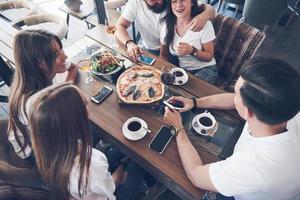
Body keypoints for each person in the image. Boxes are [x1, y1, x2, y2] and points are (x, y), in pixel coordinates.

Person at [163, 57, 300, 200]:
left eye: (236, 94)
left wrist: (177, 127)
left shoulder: (254, 165)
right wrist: (194, 102)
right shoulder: (289, 103)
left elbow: (196, 176)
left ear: (248, 112)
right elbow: (237, 101)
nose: (233, 97)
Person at [28, 83, 125, 200]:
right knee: (136, 166)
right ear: (74, 121)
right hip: (107, 191)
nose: (88, 103)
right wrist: (122, 167)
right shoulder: (93, 167)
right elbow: (110, 191)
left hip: (83, 188)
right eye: (84, 103)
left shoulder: (48, 151)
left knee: (115, 153)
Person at [8, 29, 78, 160]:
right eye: (55, 55)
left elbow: (73, 67)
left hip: (45, 132)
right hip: (37, 152)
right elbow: (59, 143)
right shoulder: (35, 103)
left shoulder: (33, 72)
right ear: (37, 63)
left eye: (61, 50)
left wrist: (67, 87)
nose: (65, 56)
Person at [115, 0, 215, 61]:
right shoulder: (135, 3)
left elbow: (211, 10)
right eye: (151, 1)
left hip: (172, 52)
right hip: (147, 48)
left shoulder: (177, 3)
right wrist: (129, 43)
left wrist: (204, 16)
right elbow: (119, 26)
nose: (156, 2)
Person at [160, 0, 217, 84]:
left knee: (190, 90)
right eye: (174, 1)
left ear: (192, 2)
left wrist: (192, 51)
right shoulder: (166, 28)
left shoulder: (204, 25)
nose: (179, 5)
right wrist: (165, 71)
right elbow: (163, 55)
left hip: (206, 69)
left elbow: (209, 56)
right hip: (184, 71)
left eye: (183, 0)